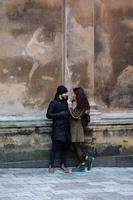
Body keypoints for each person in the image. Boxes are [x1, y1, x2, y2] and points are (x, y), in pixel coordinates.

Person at [46, 85, 70, 173]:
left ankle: (63, 165)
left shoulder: (65, 102)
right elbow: (48, 115)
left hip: (65, 128)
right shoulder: (53, 103)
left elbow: (67, 113)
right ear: (60, 93)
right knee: (55, 148)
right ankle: (51, 165)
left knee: (64, 148)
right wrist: (60, 114)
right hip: (57, 128)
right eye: (65, 93)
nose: (67, 94)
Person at [68, 87, 90, 172]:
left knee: (77, 147)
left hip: (77, 128)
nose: (72, 95)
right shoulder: (75, 102)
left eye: (74, 93)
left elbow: (75, 116)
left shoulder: (82, 105)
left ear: (77, 95)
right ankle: (88, 159)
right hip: (73, 127)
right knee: (76, 147)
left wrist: (69, 107)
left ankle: (82, 164)